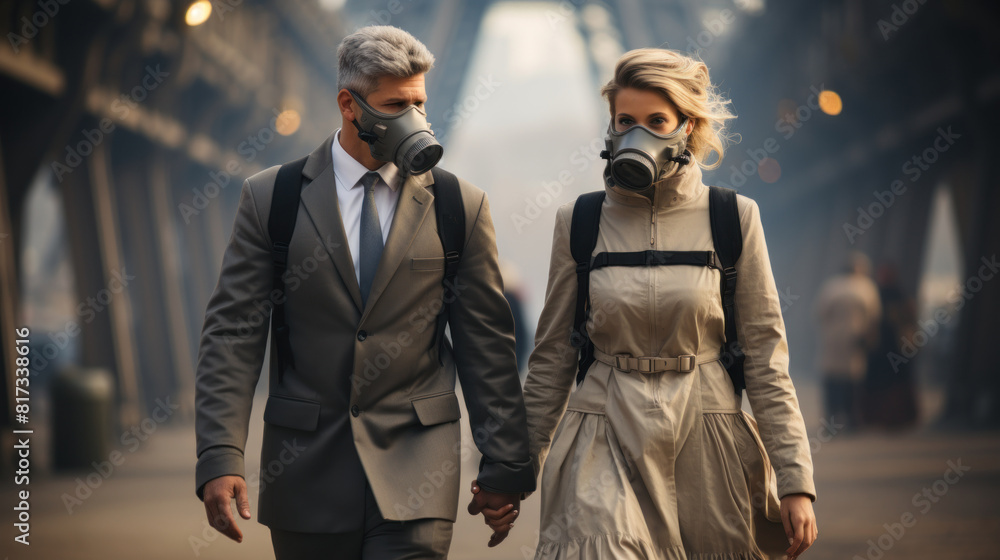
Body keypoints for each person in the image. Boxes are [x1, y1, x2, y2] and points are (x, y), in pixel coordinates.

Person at [194, 25, 534, 559]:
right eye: (395, 104)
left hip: (418, 475)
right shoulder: (272, 198)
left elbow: (486, 344)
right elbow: (233, 334)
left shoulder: (457, 205)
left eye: (419, 103)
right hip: (306, 474)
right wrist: (219, 454)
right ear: (348, 105)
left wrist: (506, 464)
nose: (414, 119)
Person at [504, 48, 819, 559]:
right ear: (609, 130)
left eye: (656, 121)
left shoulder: (733, 218)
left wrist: (795, 481)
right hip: (603, 428)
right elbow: (554, 357)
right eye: (625, 121)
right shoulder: (579, 222)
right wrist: (513, 474)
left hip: (708, 433)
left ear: (687, 127)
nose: (638, 134)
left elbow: (765, 358)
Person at [815, 251, 882, 433]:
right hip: (856, 337)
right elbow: (874, 315)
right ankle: (852, 421)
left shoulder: (831, 286)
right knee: (853, 380)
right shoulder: (867, 287)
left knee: (832, 378)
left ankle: (831, 420)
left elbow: (821, 312)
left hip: (833, 337)